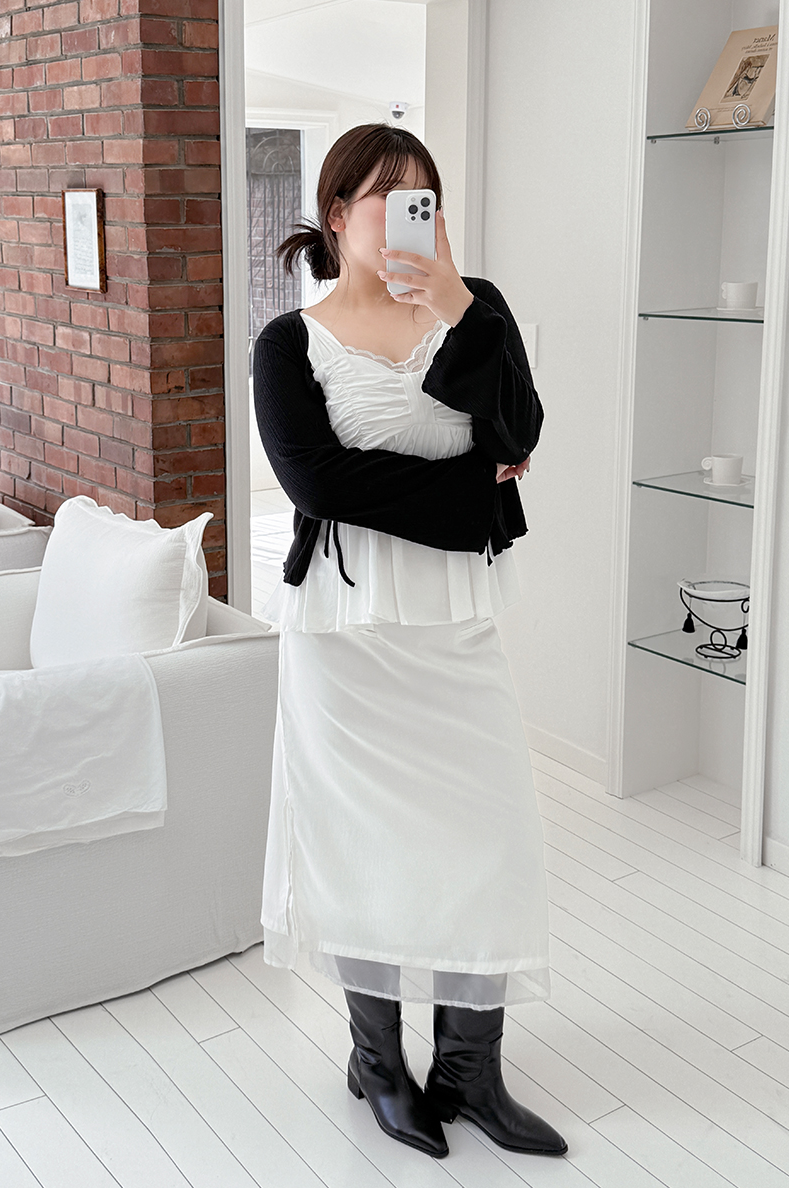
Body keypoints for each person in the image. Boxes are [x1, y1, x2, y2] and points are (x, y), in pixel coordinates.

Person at [252, 123, 566, 1161]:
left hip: (455, 625)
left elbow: (520, 432)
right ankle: (379, 1066)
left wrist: (457, 305)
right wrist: (475, 491)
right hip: (343, 640)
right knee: (364, 853)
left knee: (493, 842)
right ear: (338, 214)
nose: (405, 216)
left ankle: (470, 1073)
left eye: (422, 196)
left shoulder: (477, 310)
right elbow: (318, 481)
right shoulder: (287, 345)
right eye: (385, 197)